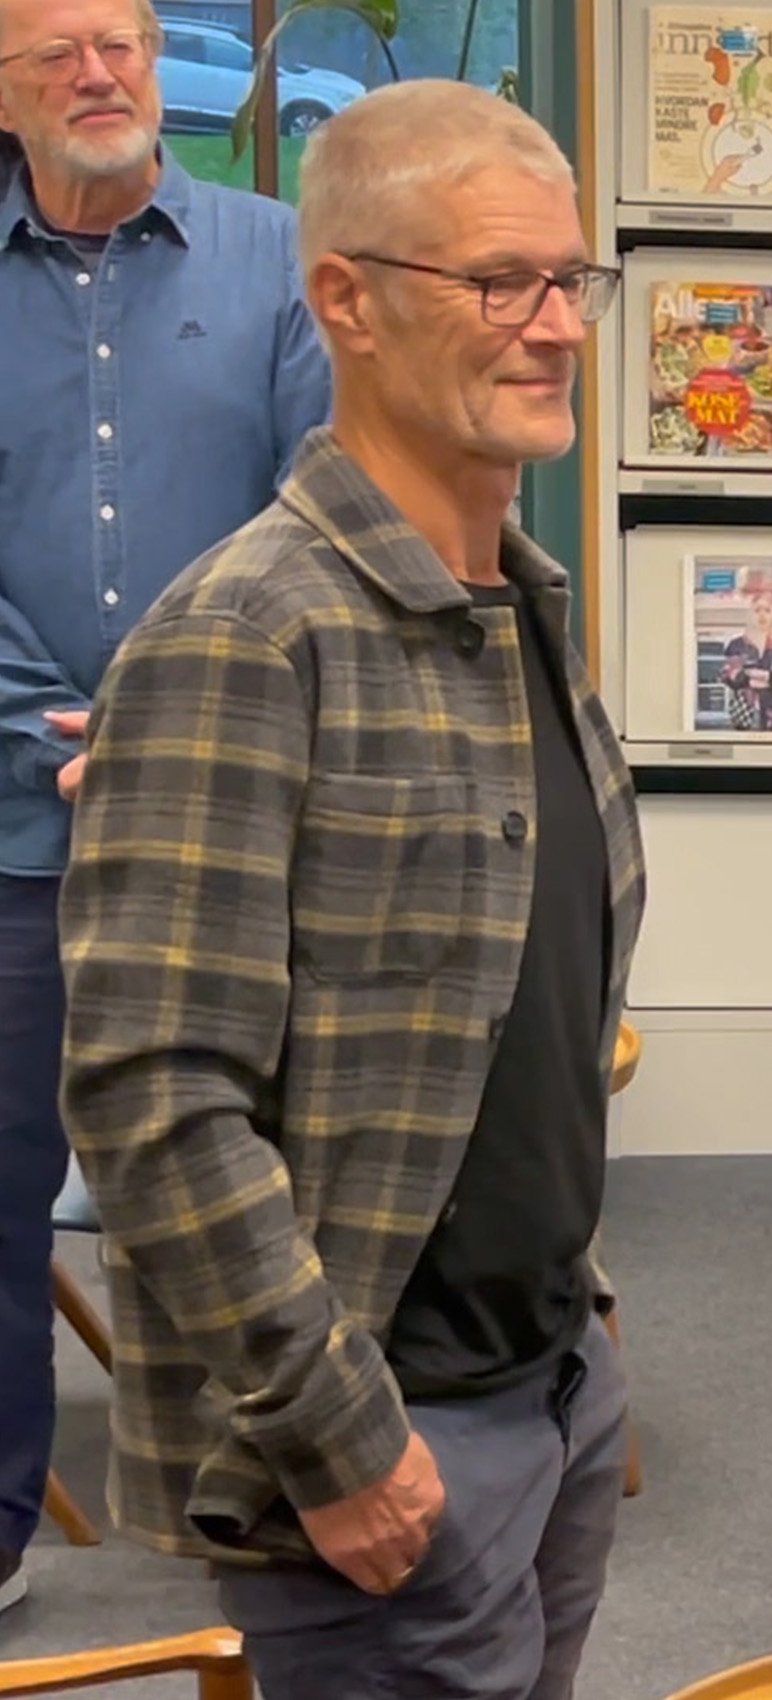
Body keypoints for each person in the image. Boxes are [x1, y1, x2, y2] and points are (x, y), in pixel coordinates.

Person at [55, 78, 644, 1700]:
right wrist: (339, 1440)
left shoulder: (521, 609)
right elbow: (155, 1102)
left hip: (546, 1393)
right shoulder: (245, 637)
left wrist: (578, 1323)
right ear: (346, 302)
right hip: (381, 1455)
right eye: (496, 283)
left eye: (570, 280)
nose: (555, 327)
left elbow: (510, 1021)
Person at [0, 0, 329, 1618]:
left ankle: (269, 1506)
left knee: (249, 1181)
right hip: (4, 826)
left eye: (120, 38)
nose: (101, 72)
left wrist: (164, 727)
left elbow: (320, 508)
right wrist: (42, 726)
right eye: (55, 48)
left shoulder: (282, 258)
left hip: (235, 828)